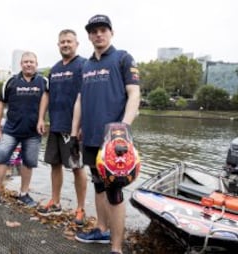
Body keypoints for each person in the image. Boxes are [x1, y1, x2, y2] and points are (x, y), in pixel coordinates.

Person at [71, 15, 140, 254]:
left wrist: (123, 130)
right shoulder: (85, 65)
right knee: (98, 185)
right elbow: (80, 99)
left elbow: (134, 94)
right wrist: (73, 132)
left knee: (115, 192)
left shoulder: (122, 58)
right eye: (94, 31)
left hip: (114, 141)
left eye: (103, 30)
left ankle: (117, 248)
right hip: (89, 137)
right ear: (89, 36)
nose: (98, 34)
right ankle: (101, 229)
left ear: (111, 32)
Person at [0, 51, 48, 209]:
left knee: (28, 163)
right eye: (25, 62)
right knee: (0, 158)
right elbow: (0, 104)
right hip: (10, 130)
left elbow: (47, 100)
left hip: (33, 131)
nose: (28, 64)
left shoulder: (44, 81)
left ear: (36, 64)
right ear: (21, 64)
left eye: (31, 62)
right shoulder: (10, 81)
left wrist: (43, 120)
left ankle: (23, 194)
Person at [36, 29, 87, 226]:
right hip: (55, 126)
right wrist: (41, 118)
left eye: (69, 41)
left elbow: (87, 96)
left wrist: (83, 125)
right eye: (62, 42)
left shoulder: (84, 65)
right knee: (54, 164)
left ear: (76, 44)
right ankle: (55, 202)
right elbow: (46, 95)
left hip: (73, 129)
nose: (66, 44)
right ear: (58, 45)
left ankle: (81, 208)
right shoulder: (54, 69)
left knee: (77, 167)